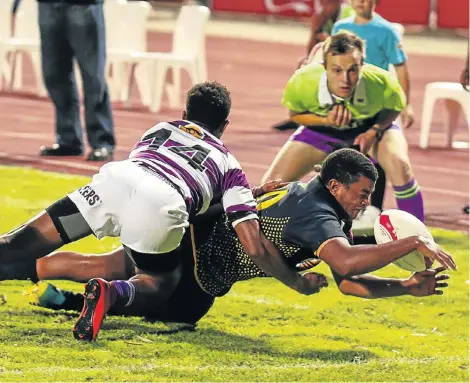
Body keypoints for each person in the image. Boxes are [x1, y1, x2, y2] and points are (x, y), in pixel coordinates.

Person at [9, 150, 455, 341]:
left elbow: (348, 282)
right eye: (361, 194)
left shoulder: (303, 191)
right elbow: (344, 262)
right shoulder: (321, 216)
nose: (366, 203)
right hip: (208, 264)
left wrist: (405, 288)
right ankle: (104, 295)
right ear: (336, 186)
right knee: (176, 306)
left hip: (195, 227)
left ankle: (41, 283)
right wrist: (412, 242)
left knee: (112, 261)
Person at [1, 81, 325, 336]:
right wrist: (296, 282)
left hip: (113, 183)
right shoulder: (230, 165)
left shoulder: (158, 129)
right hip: (161, 207)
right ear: (224, 126)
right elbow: (252, 243)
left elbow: (167, 169)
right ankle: (111, 294)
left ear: (185, 115)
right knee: (157, 283)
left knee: (19, 243)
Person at [261, 31, 425, 227]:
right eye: (337, 70)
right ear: (325, 67)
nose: (345, 79)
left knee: (400, 164)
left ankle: (418, 237)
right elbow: (294, 115)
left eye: (352, 70)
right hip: (322, 131)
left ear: (362, 66)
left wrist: (374, 131)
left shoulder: (381, 81)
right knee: (269, 188)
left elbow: (394, 107)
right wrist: (326, 119)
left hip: (369, 127)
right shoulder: (303, 82)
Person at [37, 0, 115, 161]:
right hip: (48, 5)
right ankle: (68, 139)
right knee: (54, 75)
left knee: (93, 76)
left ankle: (102, 141)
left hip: (83, 4)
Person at [273, 0, 354, 132]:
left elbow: (349, 47)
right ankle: (299, 113)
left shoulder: (348, 16)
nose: (325, 7)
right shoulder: (321, 17)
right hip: (331, 57)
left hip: (349, 59)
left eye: (329, 3)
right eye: (323, 3)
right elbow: (311, 49)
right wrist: (316, 28)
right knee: (303, 66)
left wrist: (328, 40)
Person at [332, 0, 414, 129]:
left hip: (375, 99)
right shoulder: (339, 27)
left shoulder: (387, 31)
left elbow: (400, 68)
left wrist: (406, 105)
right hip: (346, 96)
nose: (361, 1)